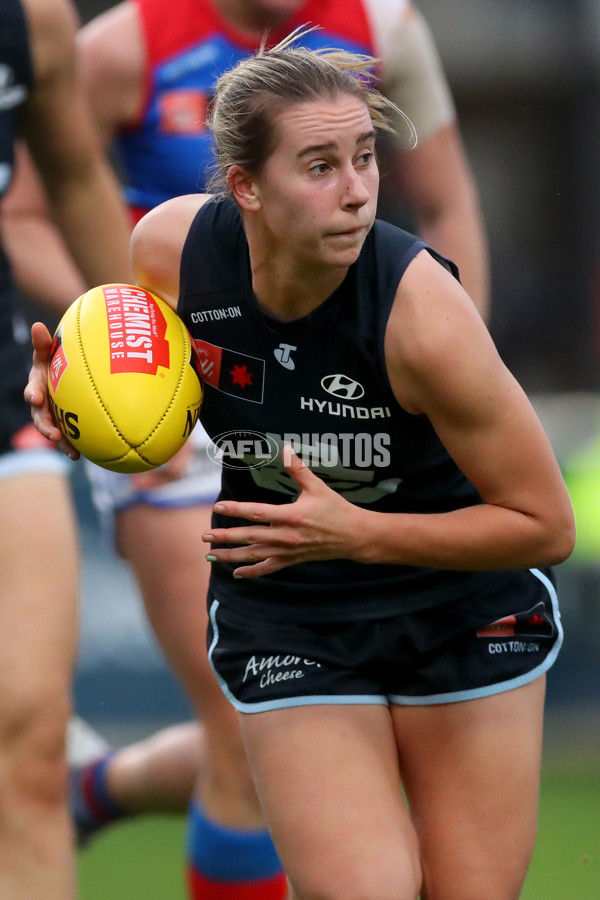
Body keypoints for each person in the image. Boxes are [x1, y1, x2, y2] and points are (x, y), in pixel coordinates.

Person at [27, 30, 575, 900]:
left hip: (461, 607)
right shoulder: (170, 251)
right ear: (245, 186)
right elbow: (136, 386)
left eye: (366, 158)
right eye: (320, 166)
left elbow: (546, 526)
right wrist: (71, 401)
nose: (358, 192)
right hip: (287, 608)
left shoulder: (424, 316)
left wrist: (358, 533)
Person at [0, 0, 133, 896]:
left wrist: (156, 340)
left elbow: (78, 176)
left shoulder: (32, 18)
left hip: (5, 388)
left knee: (30, 744)